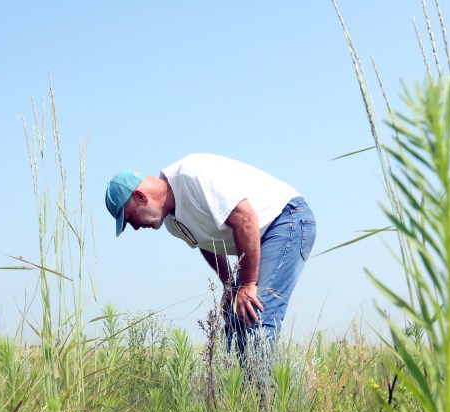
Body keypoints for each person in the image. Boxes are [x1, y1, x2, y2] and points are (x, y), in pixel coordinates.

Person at [104, 153, 316, 379]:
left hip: (286, 219)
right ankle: (243, 399)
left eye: (129, 219)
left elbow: (245, 219)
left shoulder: (192, 174)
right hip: (258, 236)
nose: (135, 227)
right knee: (237, 319)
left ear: (140, 197)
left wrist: (247, 284)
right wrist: (230, 287)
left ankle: (260, 407)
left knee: (255, 313)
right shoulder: (172, 223)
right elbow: (207, 243)